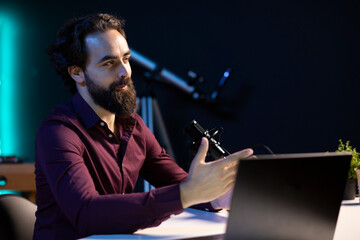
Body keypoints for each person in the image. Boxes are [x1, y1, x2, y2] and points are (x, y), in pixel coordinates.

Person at [33, 13, 254, 240]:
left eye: (126, 59)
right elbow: (87, 214)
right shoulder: (58, 133)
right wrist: (186, 193)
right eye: (109, 63)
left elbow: (181, 185)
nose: (124, 72)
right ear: (77, 73)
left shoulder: (134, 126)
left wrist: (216, 194)